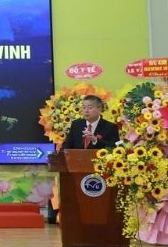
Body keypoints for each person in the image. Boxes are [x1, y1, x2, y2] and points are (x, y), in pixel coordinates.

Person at [48, 94, 120, 224]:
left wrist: (95, 141)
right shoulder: (77, 124)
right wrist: (61, 152)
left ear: (99, 109)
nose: (86, 110)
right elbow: (68, 144)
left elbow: (114, 147)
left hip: (101, 172)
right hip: (76, 172)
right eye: (84, 107)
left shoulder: (110, 127)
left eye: (90, 107)